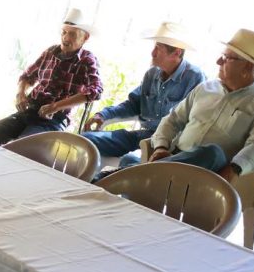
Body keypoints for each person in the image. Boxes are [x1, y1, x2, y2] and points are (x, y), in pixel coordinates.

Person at [149, 29, 254, 183]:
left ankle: (142, 173)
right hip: (176, 157)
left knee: (212, 152)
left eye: (226, 58)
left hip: (211, 170)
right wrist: (160, 147)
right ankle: (148, 173)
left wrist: (234, 168)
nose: (218, 61)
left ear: (248, 68)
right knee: (127, 159)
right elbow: (173, 119)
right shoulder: (205, 88)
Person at [83, 22, 206, 167]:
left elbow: (193, 122)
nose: (152, 53)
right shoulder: (152, 73)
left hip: (168, 144)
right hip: (143, 134)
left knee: (130, 161)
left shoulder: (195, 78)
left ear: (177, 52)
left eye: (158, 49)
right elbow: (132, 105)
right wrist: (103, 115)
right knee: (85, 140)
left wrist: (163, 144)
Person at [0, 8, 102, 145]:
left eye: (72, 34)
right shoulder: (50, 52)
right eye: (64, 32)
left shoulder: (87, 60)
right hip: (30, 110)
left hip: (55, 118)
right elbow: (27, 76)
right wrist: (20, 93)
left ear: (85, 38)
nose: (65, 38)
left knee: (23, 145)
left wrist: (55, 106)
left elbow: (95, 91)